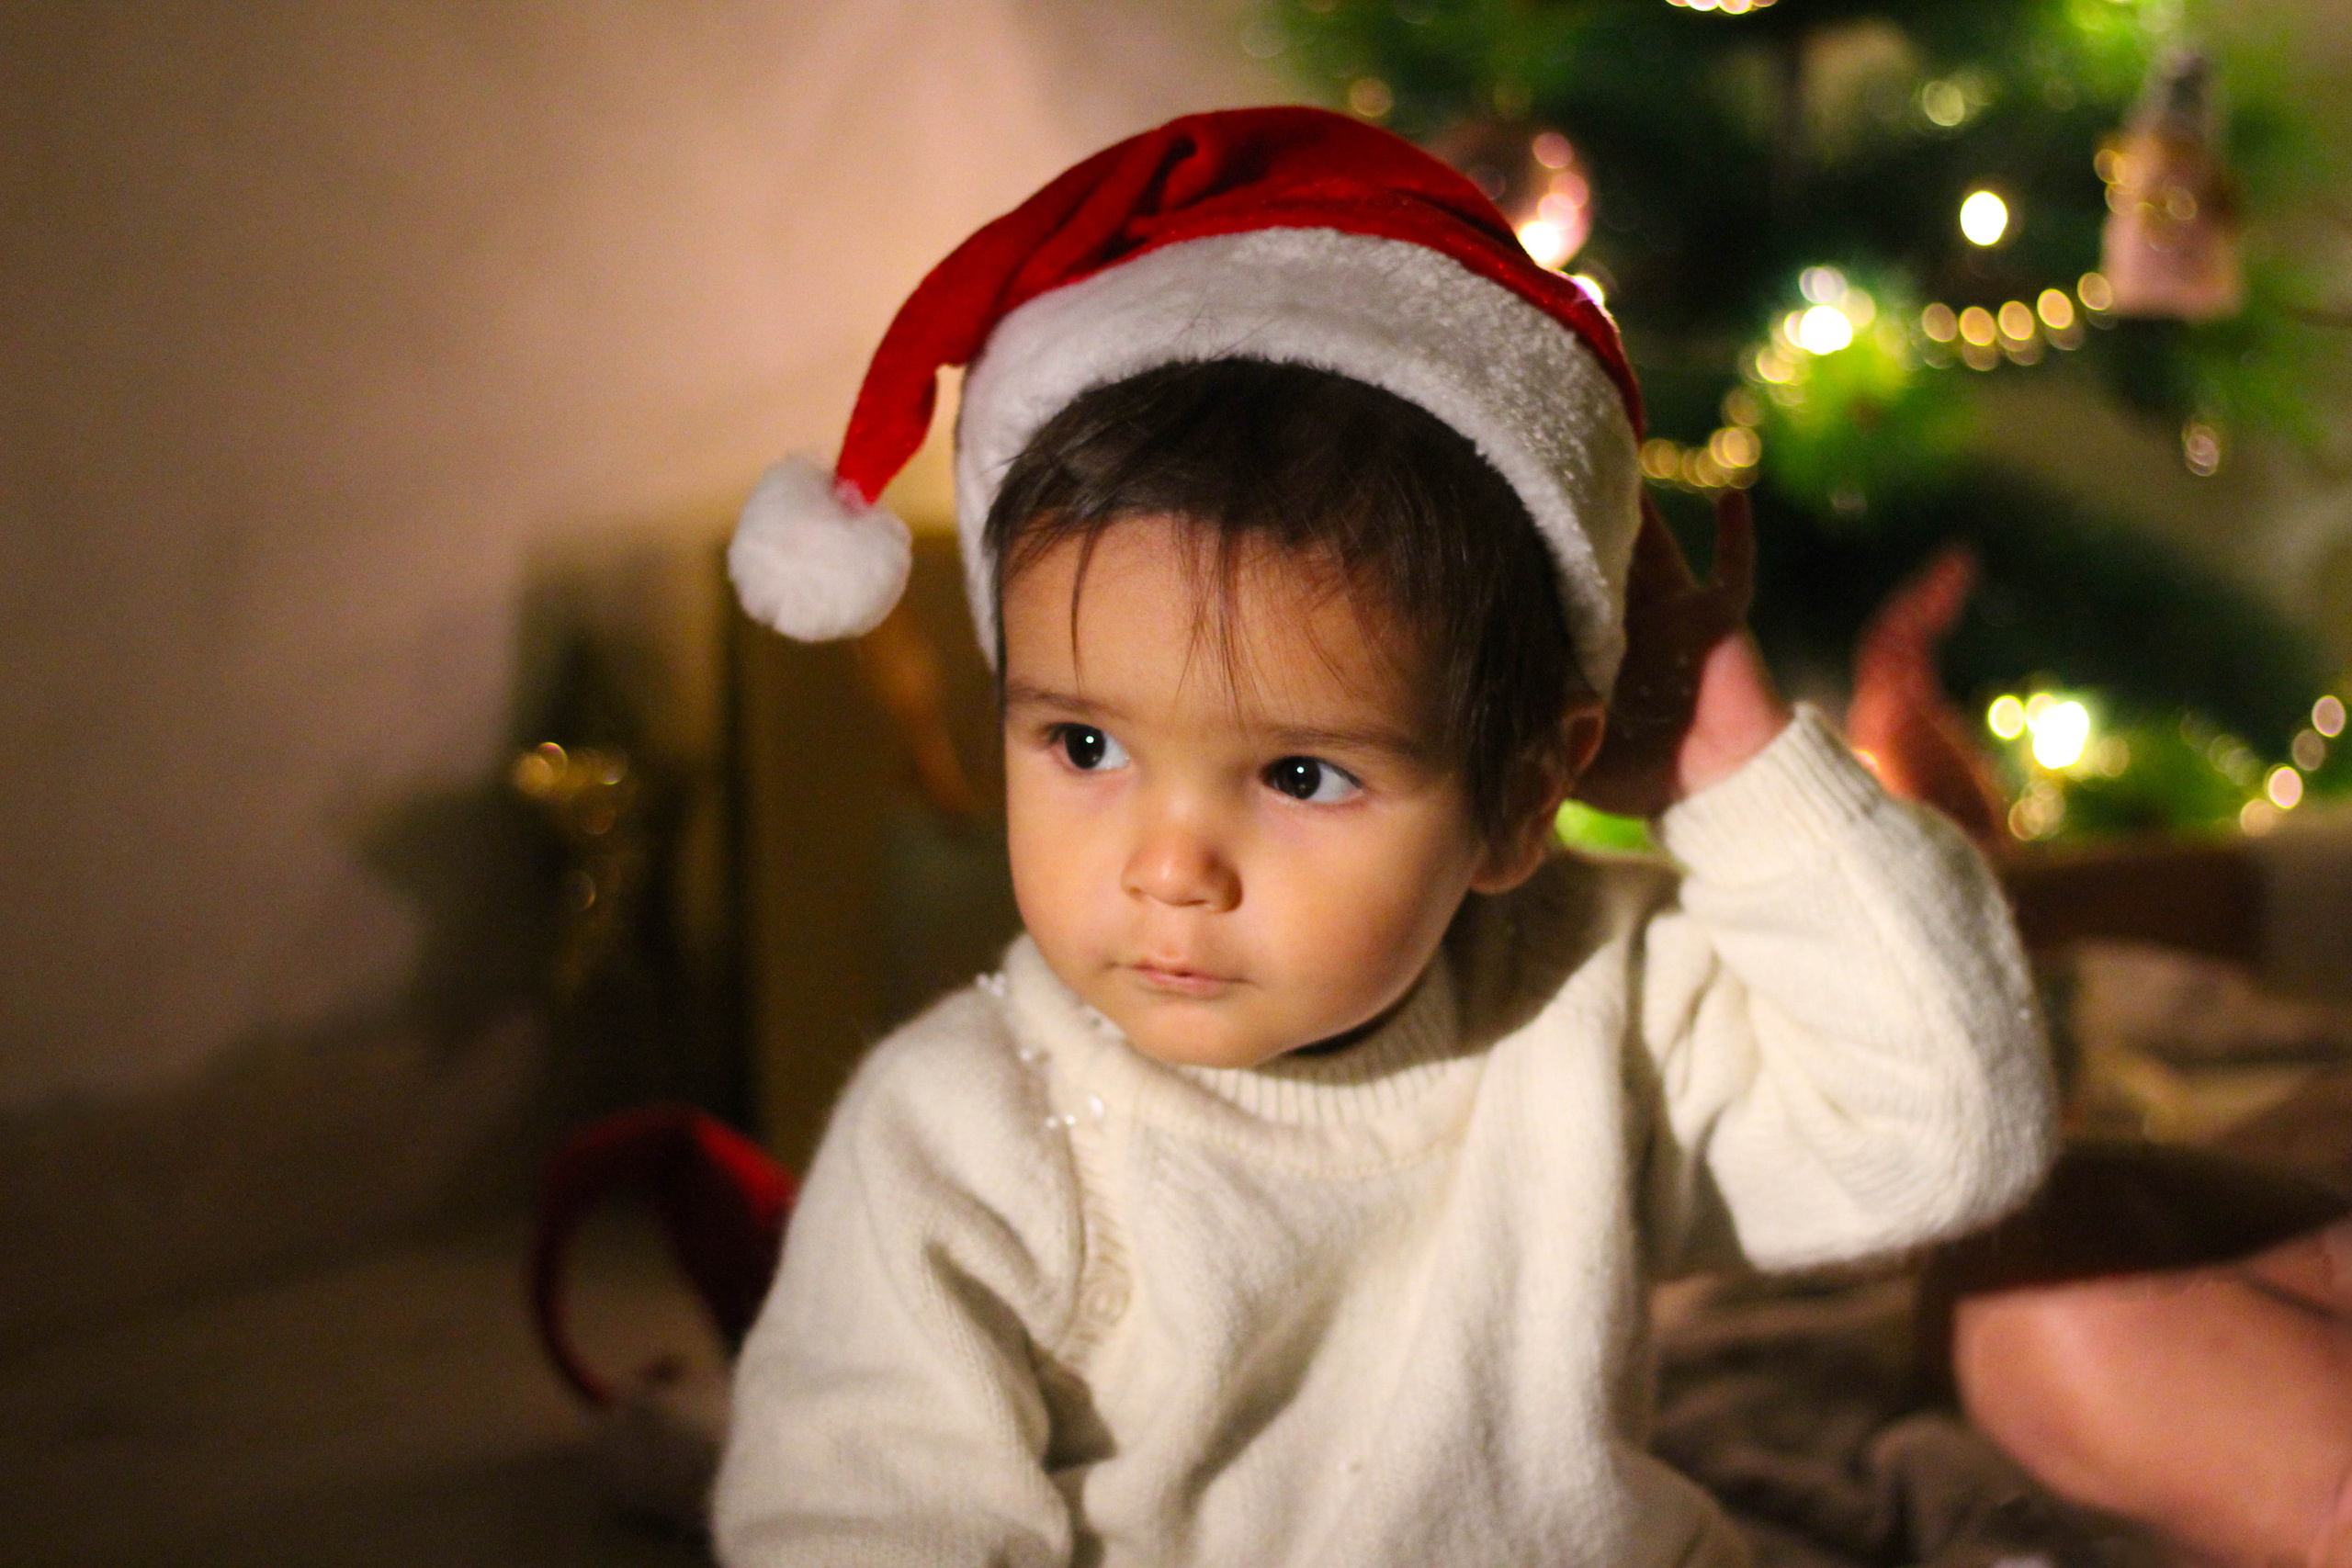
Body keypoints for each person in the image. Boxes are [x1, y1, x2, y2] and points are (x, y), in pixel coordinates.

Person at [709, 107, 2056, 1567]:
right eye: (1084, 746)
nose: (1170, 868)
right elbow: (855, 1525)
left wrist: (1733, 759)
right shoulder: (961, 1137)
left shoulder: (1584, 1000)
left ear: (1527, 799)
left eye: (1298, 774)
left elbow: (1948, 1134)